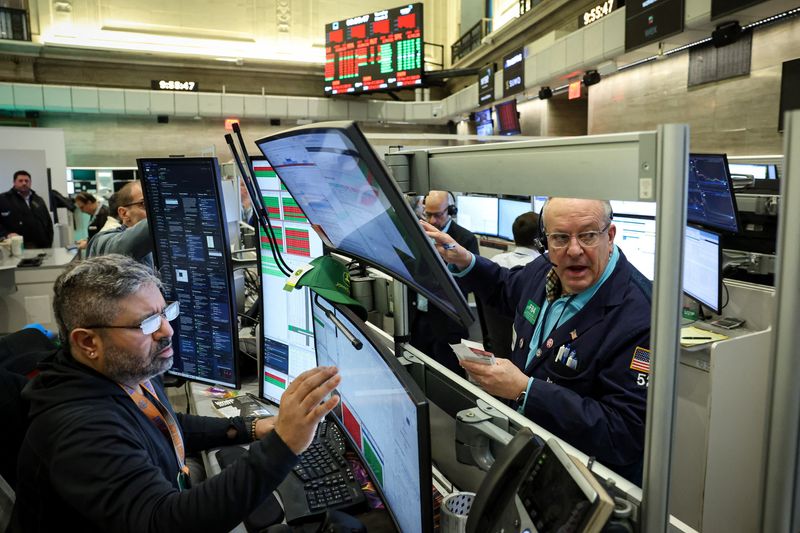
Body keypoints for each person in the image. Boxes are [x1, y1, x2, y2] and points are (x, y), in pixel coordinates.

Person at [13, 254, 341, 532]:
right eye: (146, 324)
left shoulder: (119, 371)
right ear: (88, 342)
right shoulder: (80, 430)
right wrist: (284, 445)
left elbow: (160, 423)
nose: (167, 330)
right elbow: (166, 521)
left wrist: (251, 428)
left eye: (165, 313)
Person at [422, 197, 651, 483]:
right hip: (530, 450)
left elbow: (624, 433)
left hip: (584, 480)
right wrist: (465, 260)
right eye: (560, 237)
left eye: (588, 235)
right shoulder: (546, 269)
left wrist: (525, 390)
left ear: (611, 235)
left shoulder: (641, 315)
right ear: (545, 241)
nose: (574, 250)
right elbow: (506, 288)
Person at [409, 190, 482, 375]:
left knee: (450, 379)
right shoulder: (417, 234)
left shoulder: (465, 239)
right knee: (418, 375)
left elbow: (470, 282)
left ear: (450, 211)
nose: (432, 221)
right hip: (418, 319)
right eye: (428, 214)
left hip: (448, 323)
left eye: (438, 215)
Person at [483, 211, 541, 356]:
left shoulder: (494, 262)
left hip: (497, 345)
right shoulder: (540, 272)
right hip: (525, 353)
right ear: (541, 240)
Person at [86, 181, 153, 268]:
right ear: (124, 213)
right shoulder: (103, 241)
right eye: (144, 204)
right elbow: (119, 248)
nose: (153, 209)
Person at [0, 170, 54, 248]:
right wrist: (6, 234)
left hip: (42, 247)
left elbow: (48, 223)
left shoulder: (38, 200)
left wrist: (49, 242)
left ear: (30, 183)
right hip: (17, 247)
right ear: (14, 182)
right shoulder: (3, 199)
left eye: (26, 181)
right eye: (20, 181)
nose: (24, 183)